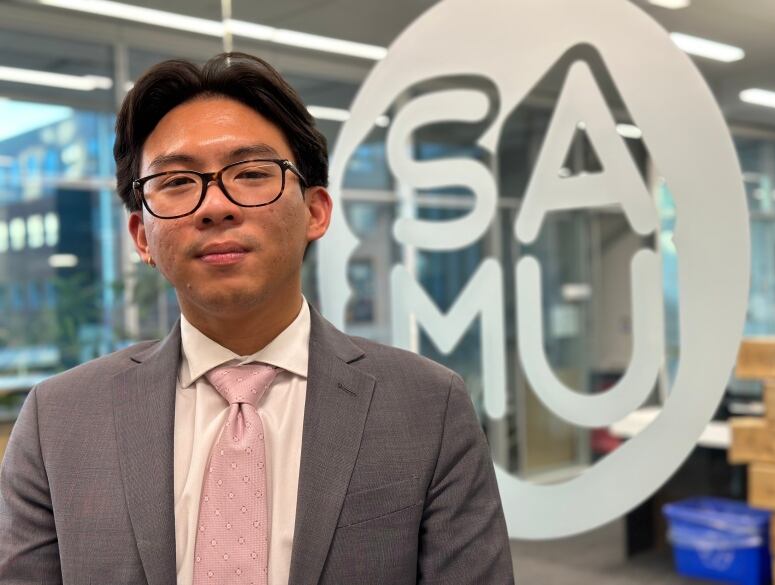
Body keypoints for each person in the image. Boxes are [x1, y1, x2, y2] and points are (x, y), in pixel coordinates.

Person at [0, 52, 514, 585]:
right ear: (140, 237)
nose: (215, 206)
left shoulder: (428, 407)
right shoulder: (57, 420)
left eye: (250, 173)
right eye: (176, 182)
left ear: (315, 211)